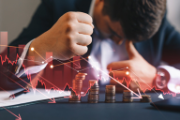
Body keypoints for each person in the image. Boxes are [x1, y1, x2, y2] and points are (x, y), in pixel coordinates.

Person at [1, 0, 180, 93]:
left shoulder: (154, 21)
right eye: (114, 33)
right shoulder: (58, 5)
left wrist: (158, 78)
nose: (120, 43)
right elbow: (3, 71)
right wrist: (42, 47)